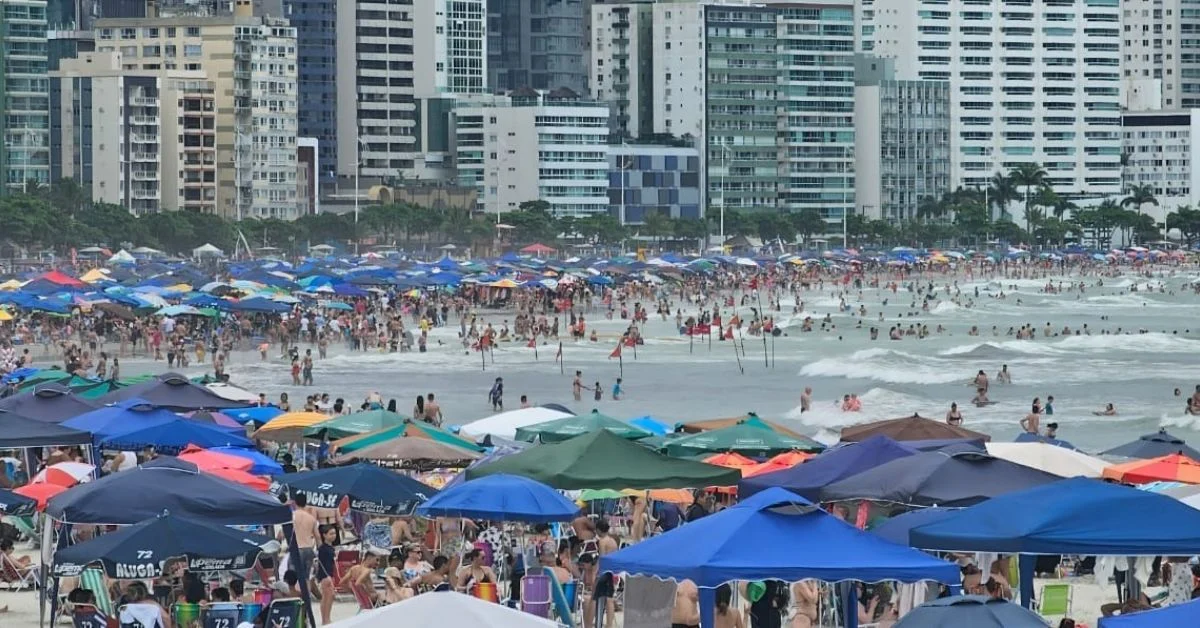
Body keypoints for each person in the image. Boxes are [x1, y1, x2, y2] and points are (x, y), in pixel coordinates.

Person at [314, 525, 339, 624]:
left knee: (327, 596)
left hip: (328, 574)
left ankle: (326, 618)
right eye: (331, 534)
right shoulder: (323, 549)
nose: (334, 536)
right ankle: (326, 618)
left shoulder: (330, 547)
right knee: (328, 596)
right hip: (326, 575)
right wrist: (327, 576)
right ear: (324, 535)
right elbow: (322, 564)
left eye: (334, 533)